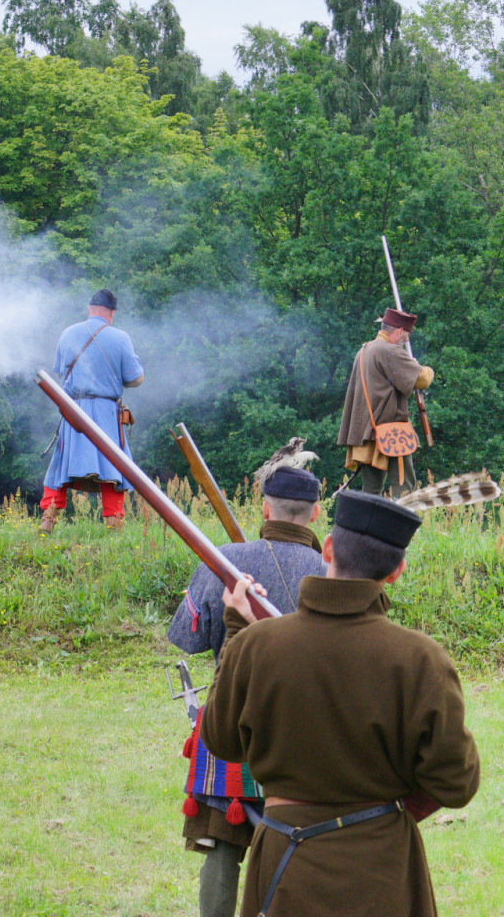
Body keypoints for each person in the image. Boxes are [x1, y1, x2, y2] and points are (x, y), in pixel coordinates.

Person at [203, 491, 480, 917]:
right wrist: (384, 812)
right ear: (396, 572)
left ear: (328, 548)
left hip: (284, 862)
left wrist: (239, 630)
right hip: (383, 870)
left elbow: (221, 742)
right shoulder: (421, 658)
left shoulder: (257, 645)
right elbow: (456, 782)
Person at [165, 467, 326, 917]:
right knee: (301, 842)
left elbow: (188, 638)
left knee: (220, 842)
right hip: (307, 725)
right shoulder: (331, 570)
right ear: (314, 513)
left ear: (264, 507)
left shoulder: (224, 559)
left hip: (230, 712)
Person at [40, 289, 144, 532]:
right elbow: (136, 378)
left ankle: (48, 518)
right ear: (112, 313)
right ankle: (114, 522)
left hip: (73, 409)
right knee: (114, 466)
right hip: (106, 411)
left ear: (89, 309)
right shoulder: (120, 337)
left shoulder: (67, 333)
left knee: (61, 464)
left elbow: (59, 371)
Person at [337, 307, 433, 496]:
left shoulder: (364, 350)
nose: (407, 339)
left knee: (370, 492)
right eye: (406, 335)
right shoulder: (390, 351)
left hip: (366, 431)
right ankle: (402, 526)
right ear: (398, 331)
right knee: (404, 491)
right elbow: (422, 380)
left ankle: (369, 526)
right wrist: (424, 368)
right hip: (391, 432)